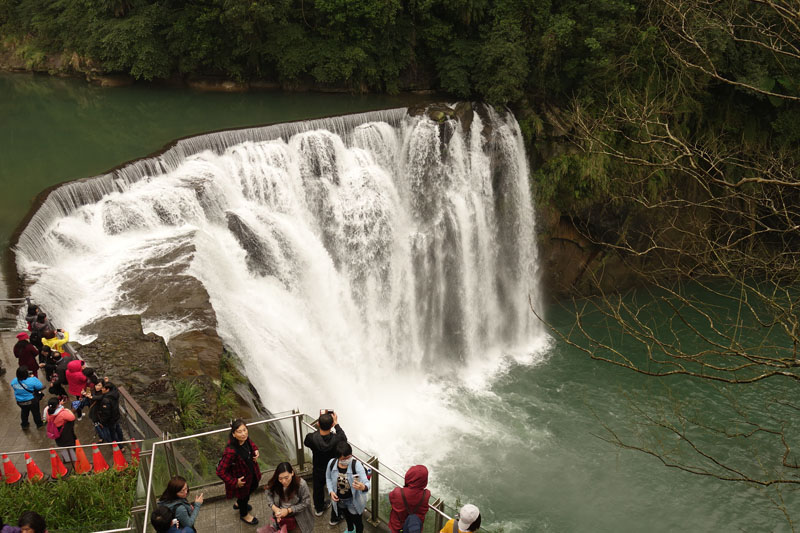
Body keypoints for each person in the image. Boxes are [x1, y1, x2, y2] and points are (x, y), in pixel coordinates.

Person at [303, 410, 347, 524]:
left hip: (318, 467)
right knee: (335, 492)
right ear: (332, 425)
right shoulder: (337, 439)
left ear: (318, 424)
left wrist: (321, 425)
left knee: (318, 488)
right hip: (333, 469)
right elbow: (344, 439)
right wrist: (336, 423)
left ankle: (319, 509)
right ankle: (335, 518)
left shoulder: (311, 438)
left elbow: (306, 443)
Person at [216, 419, 261, 525]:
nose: (243, 433)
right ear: (234, 434)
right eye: (239, 432)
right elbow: (220, 471)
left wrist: (255, 449)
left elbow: (250, 443)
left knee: (254, 486)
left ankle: (239, 503)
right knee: (244, 496)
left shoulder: (245, 439)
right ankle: (244, 514)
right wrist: (234, 482)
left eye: (245, 430)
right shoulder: (231, 451)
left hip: (251, 473)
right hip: (242, 480)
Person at [325, 441, 370, 533]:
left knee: (357, 521)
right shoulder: (332, 463)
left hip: (353, 501)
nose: (347, 460)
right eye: (344, 458)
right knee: (347, 517)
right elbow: (328, 478)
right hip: (340, 500)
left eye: (349, 457)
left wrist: (363, 487)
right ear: (338, 457)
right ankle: (350, 529)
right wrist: (331, 491)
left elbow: (366, 483)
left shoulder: (356, 465)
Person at [264, 462, 314, 533]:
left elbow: (306, 502)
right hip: (281, 516)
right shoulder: (275, 483)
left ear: (292, 473)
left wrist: (288, 510)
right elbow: (268, 493)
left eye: (286, 478)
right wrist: (275, 508)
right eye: (280, 478)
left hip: (298, 517)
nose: (284, 481)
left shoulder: (301, 485)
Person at [388, 465, 430, 533]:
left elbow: (391, 499)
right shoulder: (426, 495)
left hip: (397, 527)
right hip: (413, 528)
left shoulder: (398, 492)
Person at [44, 396, 77, 465]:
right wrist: (67, 410)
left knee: (61, 445)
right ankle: (73, 459)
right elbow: (72, 417)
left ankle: (66, 459)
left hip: (55, 431)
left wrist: (59, 405)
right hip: (64, 431)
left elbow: (45, 417)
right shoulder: (62, 413)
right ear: (57, 405)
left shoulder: (47, 410)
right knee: (69, 444)